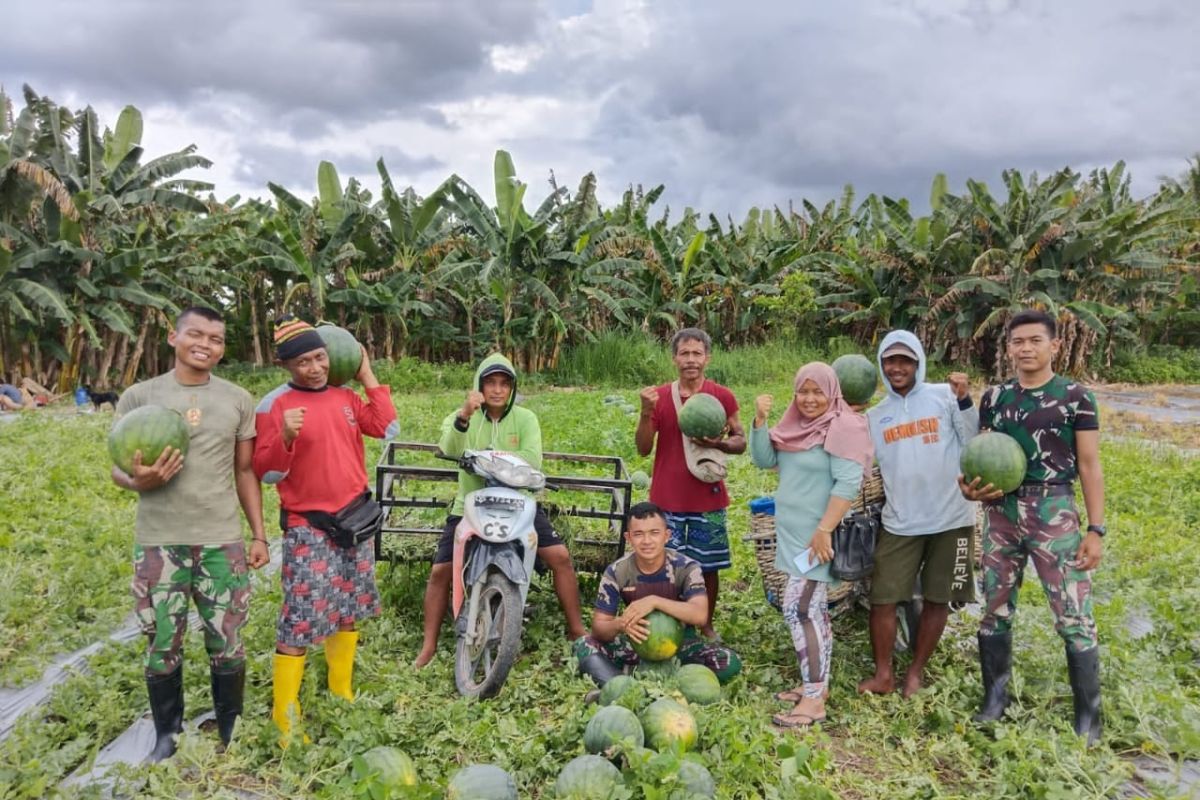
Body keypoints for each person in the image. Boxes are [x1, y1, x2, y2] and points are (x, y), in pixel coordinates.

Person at [110, 306, 269, 761]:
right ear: (173, 338)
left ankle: (228, 728)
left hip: (221, 539)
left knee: (228, 638)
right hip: (159, 540)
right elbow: (120, 469)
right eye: (196, 335)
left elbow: (244, 471)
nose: (206, 344)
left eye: (216, 339)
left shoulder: (238, 399)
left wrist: (258, 535)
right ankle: (167, 734)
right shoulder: (140, 397)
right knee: (162, 640)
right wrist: (137, 481)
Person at [959, 309, 1106, 744]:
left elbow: (1090, 464)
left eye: (1035, 341)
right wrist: (972, 490)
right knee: (994, 607)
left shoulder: (1076, 397)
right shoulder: (996, 397)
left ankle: (1088, 720)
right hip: (1001, 514)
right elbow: (985, 454)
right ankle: (995, 700)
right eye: (1017, 341)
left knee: (1074, 614)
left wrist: (1095, 529)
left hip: (1054, 512)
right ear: (1008, 347)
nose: (1025, 348)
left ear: (1054, 345)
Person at [253, 316, 398, 746]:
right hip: (308, 528)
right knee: (299, 620)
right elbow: (268, 472)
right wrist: (284, 436)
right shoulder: (274, 406)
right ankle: (285, 719)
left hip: (354, 520)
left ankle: (341, 690)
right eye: (303, 361)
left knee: (348, 607)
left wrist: (367, 372)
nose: (314, 368)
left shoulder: (345, 398)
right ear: (286, 366)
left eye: (319, 358)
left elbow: (388, 428)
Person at [413, 353, 586, 668]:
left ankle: (577, 630)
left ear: (512, 388)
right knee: (440, 571)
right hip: (470, 501)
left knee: (559, 557)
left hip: (516, 501)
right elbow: (449, 449)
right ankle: (429, 645)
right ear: (479, 385)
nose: (496, 390)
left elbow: (532, 458)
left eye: (504, 384)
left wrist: (486, 457)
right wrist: (465, 414)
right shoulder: (463, 416)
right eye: (490, 383)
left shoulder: (525, 418)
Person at [750, 362, 873, 729]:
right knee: (811, 610)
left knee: (799, 609)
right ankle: (815, 686)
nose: (809, 399)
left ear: (832, 391)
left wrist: (824, 529)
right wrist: (759, 421)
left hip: (818, 538)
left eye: (817, 391)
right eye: (803, 391)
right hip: (793, 536)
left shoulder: (844, 426)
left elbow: (847, 485)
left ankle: (815, 698)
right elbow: (764, 459)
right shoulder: (795, 426)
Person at [857, 331, 978, 698]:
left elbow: (972, 440)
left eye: (905, 360)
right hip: (901, 521)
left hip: (952, 518)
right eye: (890, 361)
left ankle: (915, 672)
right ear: (881, 364)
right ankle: (883, 675)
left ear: (918, 362)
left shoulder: (944, 396)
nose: (897, 368)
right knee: (883, 598)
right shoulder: (876, 416)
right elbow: (860, 464)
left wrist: (965, 399)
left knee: (939, 598)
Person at [636, 328, 745, 638]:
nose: (691, 360)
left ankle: (704, 623)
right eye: (684, 354)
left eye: (697, 353)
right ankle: (668, 623)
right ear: (674, 359)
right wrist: (646, 412)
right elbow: (643, 448)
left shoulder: (721, 396)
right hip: (666, 500)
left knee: (708, 567)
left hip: (708, 499)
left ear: (707, 358)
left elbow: (740, 441)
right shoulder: (658, 397)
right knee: (664, 566)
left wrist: (718, 444)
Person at [575, 501, 742, 688]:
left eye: (654, 533)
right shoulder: (617, 571)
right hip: (635, 645)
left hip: (679, 646)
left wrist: (654, 602)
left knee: (728, 661)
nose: (647, 541)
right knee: (584, 645)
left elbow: (700, 615)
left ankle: (662, 678)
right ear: (628, 538)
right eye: (638, 534)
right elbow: (599, 627)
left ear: (666, 536)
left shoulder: (686, 567)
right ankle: (622, 687)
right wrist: (621, 624)